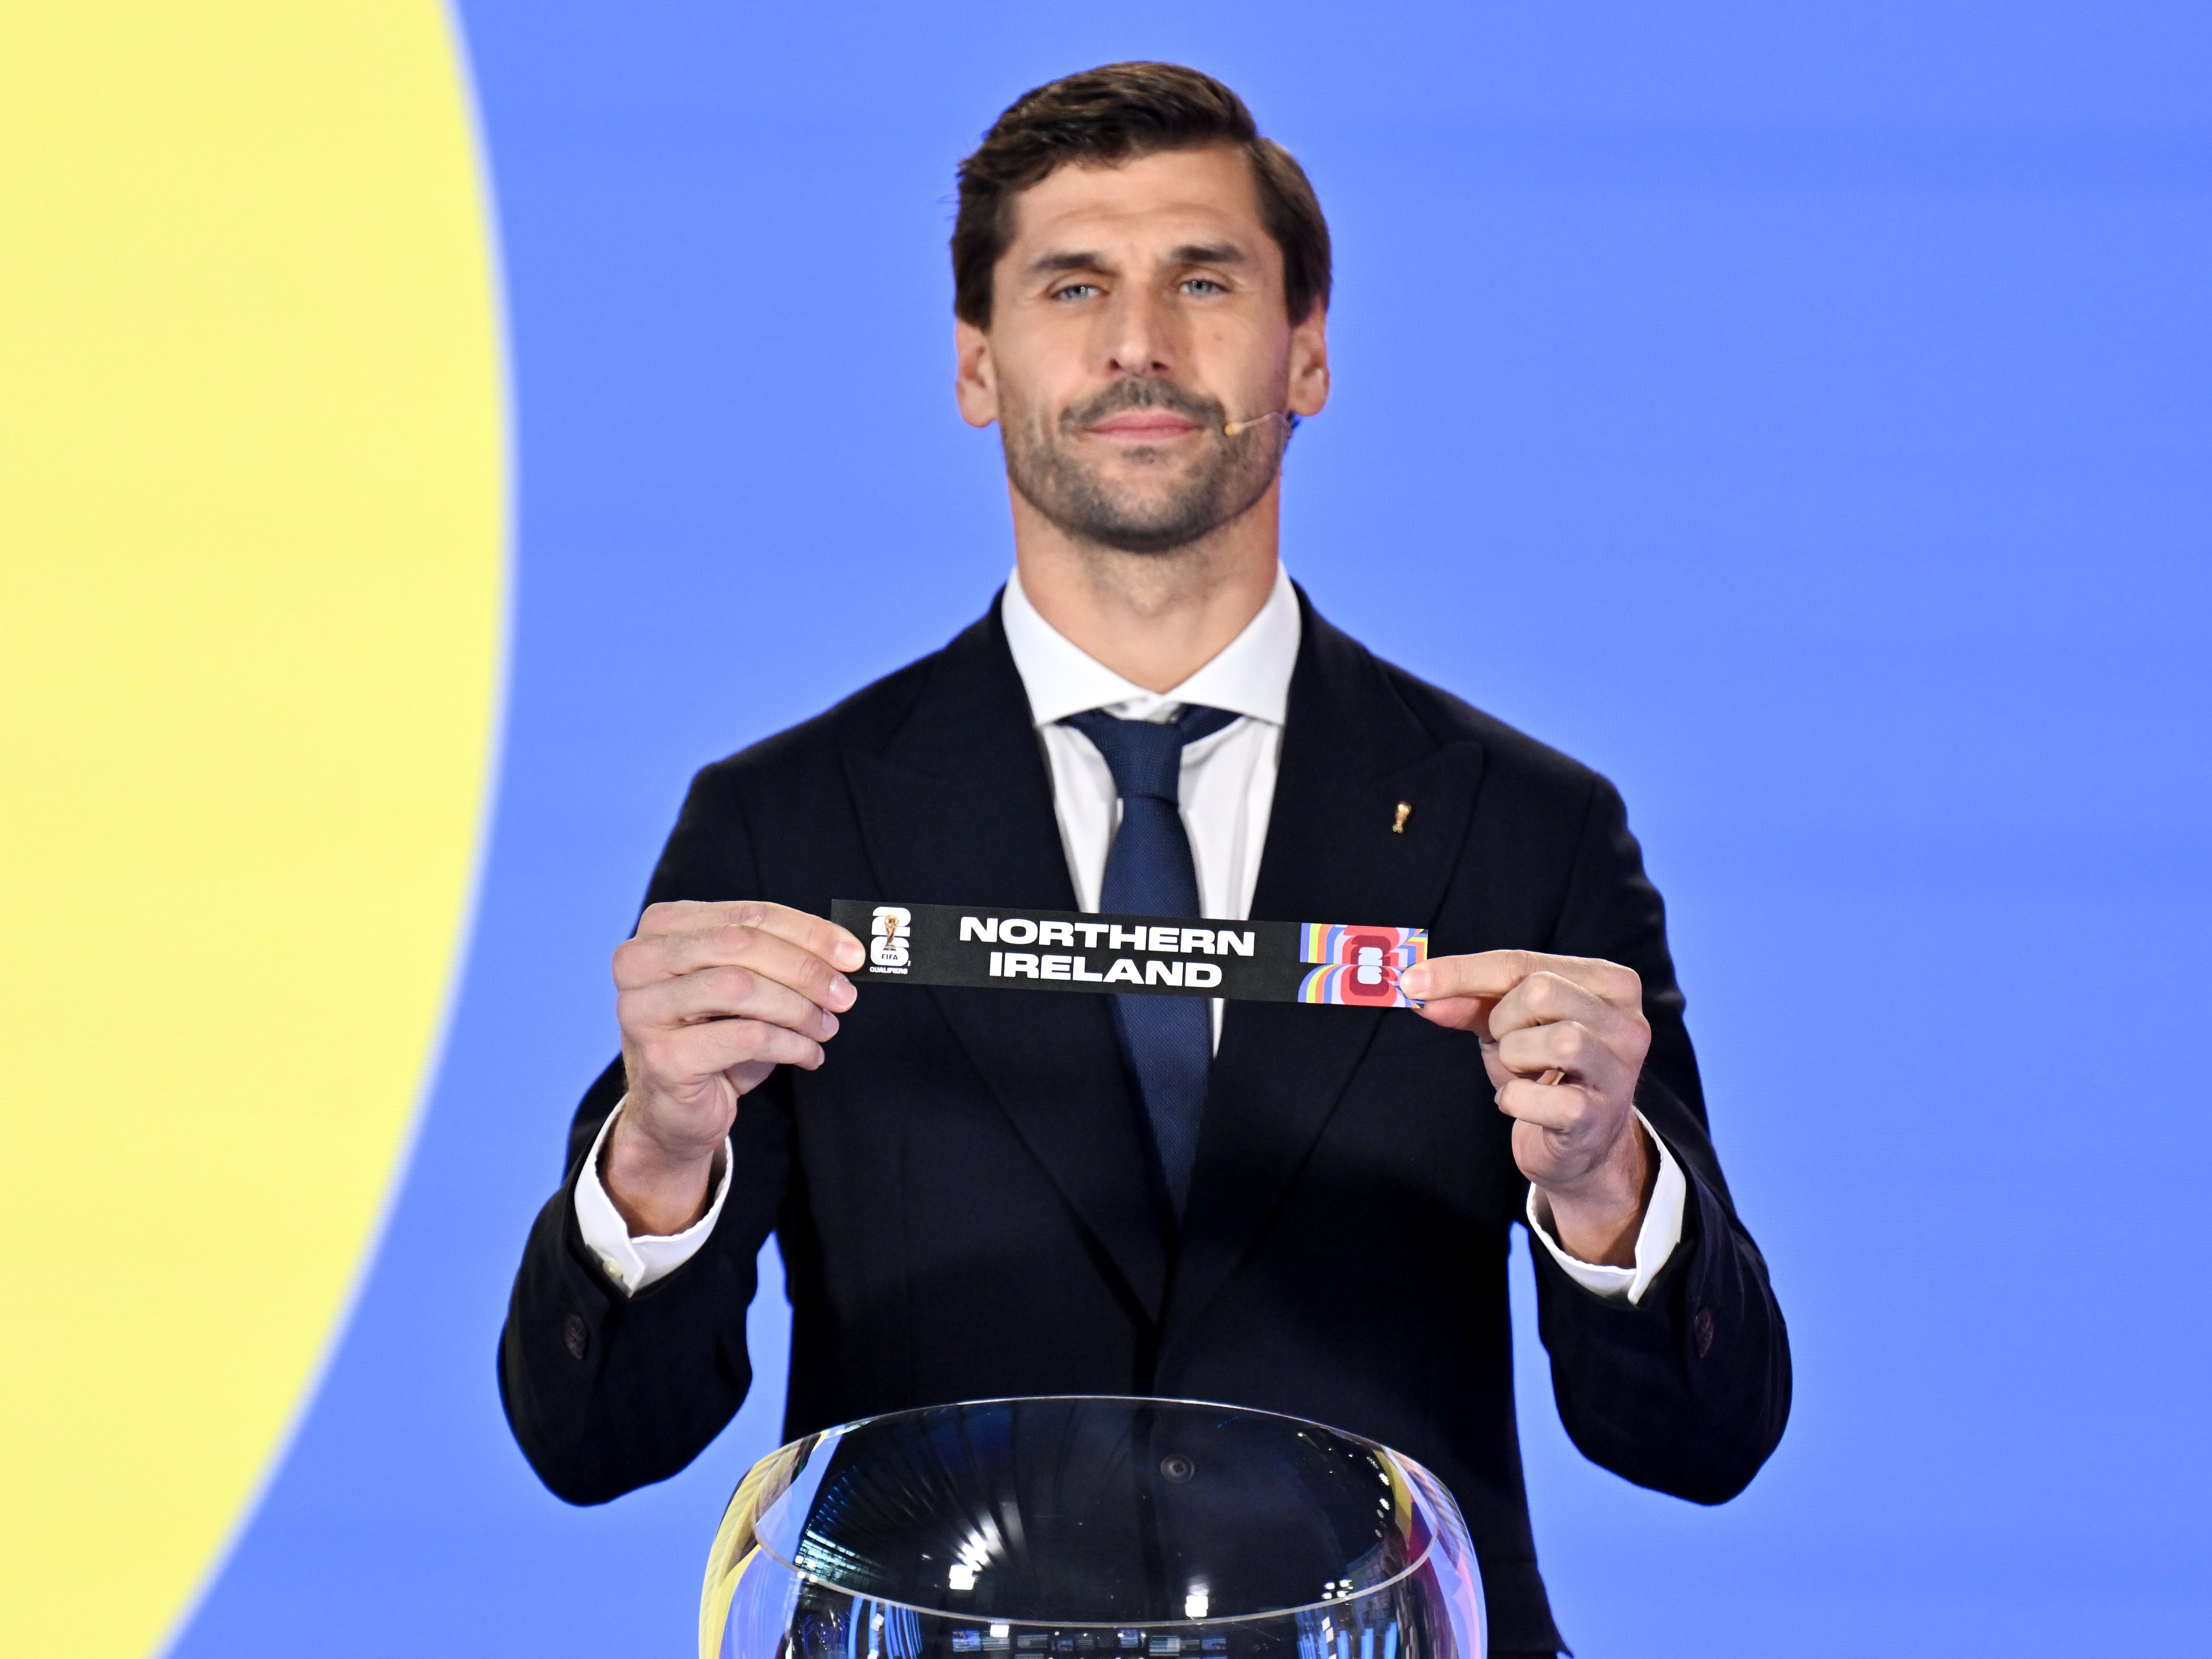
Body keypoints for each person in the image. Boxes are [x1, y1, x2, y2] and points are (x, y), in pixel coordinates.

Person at [500, 62, 1789, 1659]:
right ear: (978, 363)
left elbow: (1704, 1441)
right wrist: (661, 1158)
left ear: (1307, 348)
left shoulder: (1523, 828)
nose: (1139, 344)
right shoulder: (785, 824)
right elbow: (590, 1439)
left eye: (1204, 278)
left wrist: (1607, 1187)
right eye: (1072, 285)